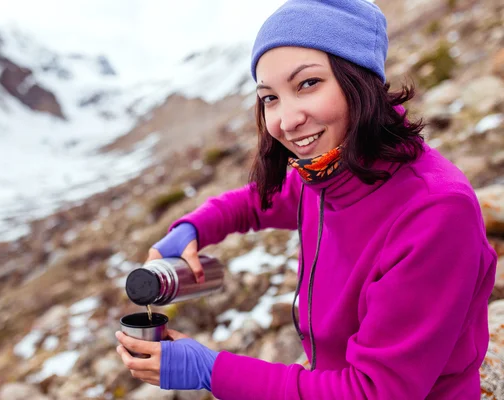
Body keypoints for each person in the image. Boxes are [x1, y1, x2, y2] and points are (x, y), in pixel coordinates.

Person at [115, 0, 498, 398]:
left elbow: (372, 392)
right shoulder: (333, 173)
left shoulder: (435, 212)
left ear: (359, 79)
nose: (286, 119)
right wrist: (193, 227)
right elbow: (258, 201)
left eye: (308, 84)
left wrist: (212, 370)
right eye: (270, 98)